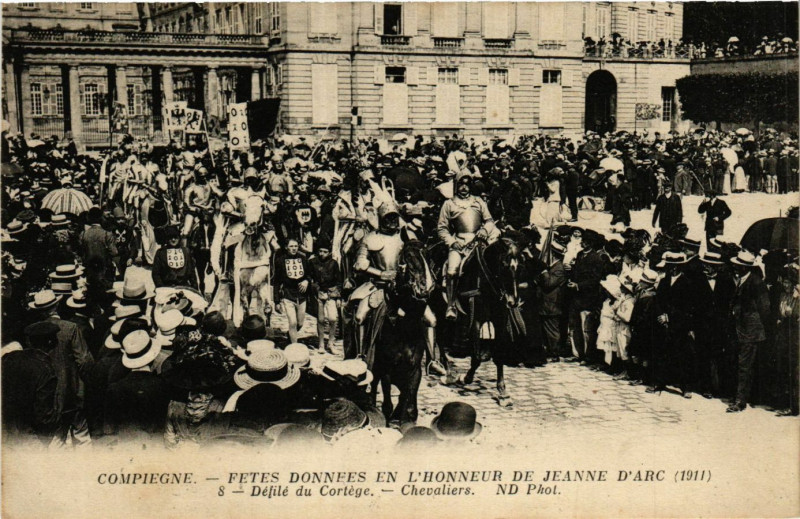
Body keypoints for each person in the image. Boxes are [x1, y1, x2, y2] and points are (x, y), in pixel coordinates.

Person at [437, 170, 498, 320]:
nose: (464, 188)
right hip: (459, 242)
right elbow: (442, 228)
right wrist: (452, 242)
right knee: (452, 270)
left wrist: (484, 229)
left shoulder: (478, 201)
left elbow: (489, 220)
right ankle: (451, 305)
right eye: (461, 184)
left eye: (467, 184)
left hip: (479, 241)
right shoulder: (449, 204)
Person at [727, 251, 771, 413]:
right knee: (742, 364)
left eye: (738, 265)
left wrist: (755, 324)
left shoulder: (756, 282)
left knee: (745, 366)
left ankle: (740, 401)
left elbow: (765, 308)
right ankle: (741, 397)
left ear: (745, 267)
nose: (735, 266)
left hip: (750, 331)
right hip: (741, 329)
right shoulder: (742, 280)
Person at [273, 238, 312, 344]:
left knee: (300, 323)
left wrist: (306, 281)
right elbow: (276, 281)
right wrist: (276, 301)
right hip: (288, 295)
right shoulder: (280, 261)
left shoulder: (303, 259)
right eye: (291, 246)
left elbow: (310, 274)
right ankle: (294, 347)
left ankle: (291, 335)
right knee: (293, 323)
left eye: (295, 246)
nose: (294, 249)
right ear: (286, 247)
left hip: (302, 295)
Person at [309, 239, 342, 353]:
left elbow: (339, 280)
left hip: (331, 294)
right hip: (318, 294)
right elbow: (309, 277)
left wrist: (338, 297)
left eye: (325, 251)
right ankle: (321, 344)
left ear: (329, 252)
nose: (322, 254)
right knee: (321, 319)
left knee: (333, 318)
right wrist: (316, 288)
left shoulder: (334, 263)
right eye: (320, 251)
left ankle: (331, 342)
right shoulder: (313, 262)